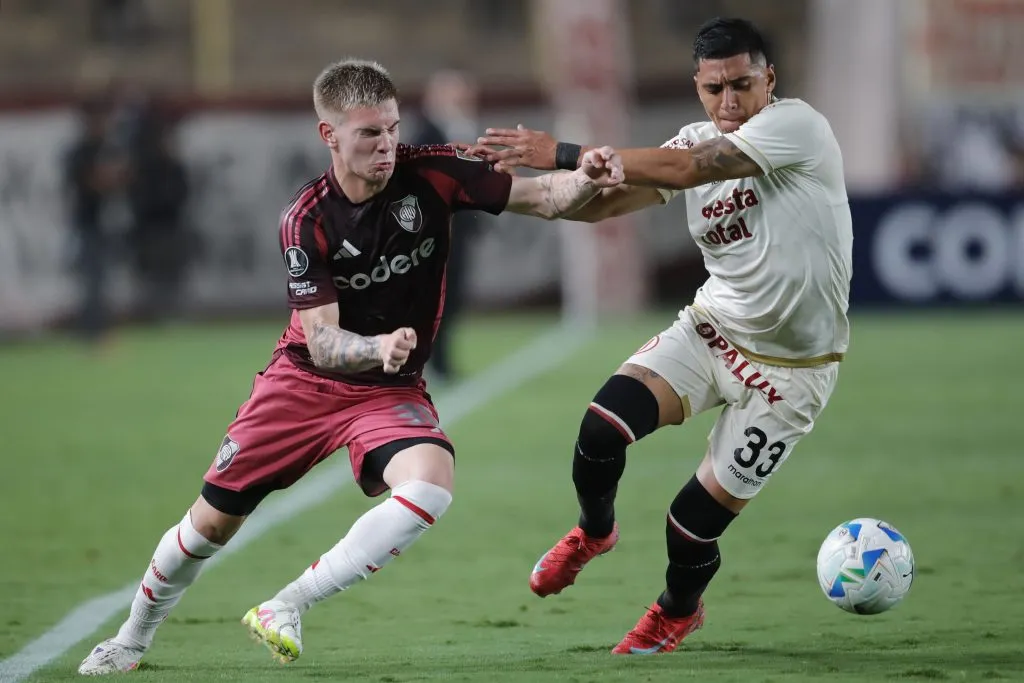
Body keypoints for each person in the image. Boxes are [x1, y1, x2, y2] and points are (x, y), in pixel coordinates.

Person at [77, 58, 624, 675]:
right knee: (208, 528)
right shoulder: (306, 219)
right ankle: (131, 637)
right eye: (369, 134)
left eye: (390, 128)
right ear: (328, 135)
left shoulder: (433, 171)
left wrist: (585, 178)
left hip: (387, 390)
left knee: (429, 483)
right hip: (304, 384)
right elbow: (323, 342)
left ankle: (288, 604)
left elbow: (543, 197)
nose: (386, 145)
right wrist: (376, 346)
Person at [475, 17, 851, 655]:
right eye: (714, 89)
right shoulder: (691, 137)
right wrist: (485, 192)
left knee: (690, 524)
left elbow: (693, 168)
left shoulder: (797, 127)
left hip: (792, 375)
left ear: (770, 80)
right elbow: (599, 205)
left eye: (742, 84)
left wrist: (567, 152)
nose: (728, 103)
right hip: (711, 332)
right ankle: (594, 532)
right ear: (697, 87)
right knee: (600, 430)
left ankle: (678, 611)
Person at [412, 68, 485, 382]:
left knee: (452, 298)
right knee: (429, 300)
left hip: (460, 234)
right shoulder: (424, 134)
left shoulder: (467, 129)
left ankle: (441, 362)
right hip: (433, 232)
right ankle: (422, 363)